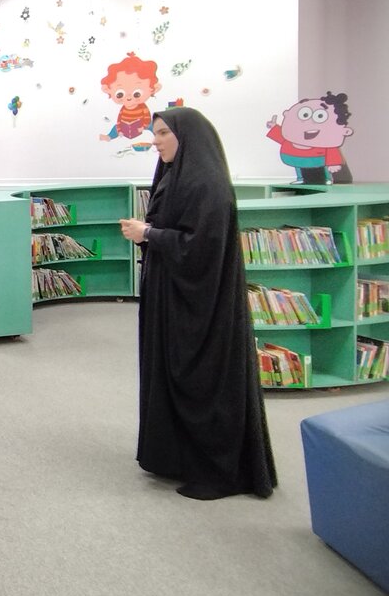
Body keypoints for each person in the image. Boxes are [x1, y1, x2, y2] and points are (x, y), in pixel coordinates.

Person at [119, 107, 277, 500]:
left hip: (202, 305)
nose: (155, 141)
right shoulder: (174, 176)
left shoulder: (207, 184)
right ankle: (178, 458)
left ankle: (221, 472)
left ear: (186, 136)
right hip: (172, 295)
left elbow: (202, 247)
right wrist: (149, 234)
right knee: (172, 372)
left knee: (202, 378)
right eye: (154, 133)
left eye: (162, 133)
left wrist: (149, 234)